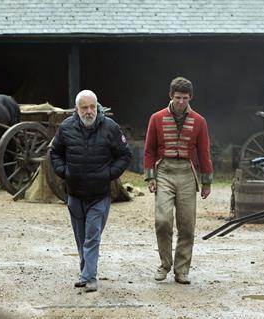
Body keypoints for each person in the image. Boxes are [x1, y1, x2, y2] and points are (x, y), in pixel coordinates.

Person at [50, 90, 131, 292]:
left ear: (97, 106)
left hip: (99, 195)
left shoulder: (111, 128)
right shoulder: (66, 128)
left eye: (92, 107)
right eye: (84, 107)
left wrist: (108, 174)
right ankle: (85, 272)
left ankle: (90, 277)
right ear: (77, 109)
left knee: (92, 236)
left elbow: (124, 154)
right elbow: (55, 153)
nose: (89, 111)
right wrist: (64, 172)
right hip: (75, 193)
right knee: (81, 237)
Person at [144, 76, 213, 284]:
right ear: (170, 96)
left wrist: (207, 182)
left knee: (187, 224)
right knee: (163, 220)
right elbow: (149, 149)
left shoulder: (199, 121)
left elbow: (204, 152)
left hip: (186, 172)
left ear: (190, 97)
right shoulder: (156, 118)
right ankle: (165, 264)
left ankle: (181, 270)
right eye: (177, 97)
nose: (181, 102)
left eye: (185, 97)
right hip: (164, 170)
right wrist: (150, 177)